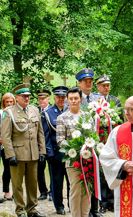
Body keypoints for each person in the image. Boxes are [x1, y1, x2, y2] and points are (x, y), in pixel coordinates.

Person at [1, 84, 46, 217]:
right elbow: (6, 136)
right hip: (17, 154)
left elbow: (40, 133)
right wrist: (10, 155)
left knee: (32, 184)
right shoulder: (9, 112)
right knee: (17, 185)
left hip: (33, 154)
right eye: (24, 96)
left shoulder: (34, 110)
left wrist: (42, 151)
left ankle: (32, 209)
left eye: (28, 96)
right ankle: (20, 210)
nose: (27, 98)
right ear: (17, 97)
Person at [56, 87, 92, 217]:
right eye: (70, 99)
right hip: (73, 160)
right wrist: (75, 149)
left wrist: (89, 147)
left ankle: (85, 214)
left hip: (88, 160)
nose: (73, 101)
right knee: (76, 190)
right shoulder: (62, 118)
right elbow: (60, 140)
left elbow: (92, 136)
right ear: (67, 100)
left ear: (80, 99)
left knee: (87, 190)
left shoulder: (87, 116)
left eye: (76, 98)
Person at [76, 69, 102, 217]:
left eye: (90, 81)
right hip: (80, 144)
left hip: (96, 143)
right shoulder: (74, 98)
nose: (88, 83)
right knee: (82, 177)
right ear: (79, 83)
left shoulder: (98, 98)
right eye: (85, 81)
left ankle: (94, 209)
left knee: (95, 175)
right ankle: (80, 209)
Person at [96, 74, 122, 213]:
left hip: (112, 141)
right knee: (100, 171)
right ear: (98, 87)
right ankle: (103, 202)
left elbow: (121, 120)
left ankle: (112, 201)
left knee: (113, 169)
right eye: (104, 85)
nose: (106, 88)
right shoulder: (94, 101)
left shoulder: (115, 101)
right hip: (99, 141)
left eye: (108, 85)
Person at [41, 86, 70, 215]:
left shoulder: (71, 111)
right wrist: (49, 153)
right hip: (55, 153)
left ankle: (72, 203)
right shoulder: (48, 113)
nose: (61, 99)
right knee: (57, 182)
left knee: (71, 181)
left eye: (63, 97)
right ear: (54, 97)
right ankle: (59, 206)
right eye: (58, 97)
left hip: (71, 154)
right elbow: (45, 136)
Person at [0, 93, 16, 203]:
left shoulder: (16, 113)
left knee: (12, 169)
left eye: (11, 102)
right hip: (3, 145)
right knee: (6, 168)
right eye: (7, 102)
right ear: (3, 103)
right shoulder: (1, 113)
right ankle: (5, 192)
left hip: (13, 145)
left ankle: (12, 191)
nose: (9, 104)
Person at [36, 89, 52, 201]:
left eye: (44, 98)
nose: (42, 100)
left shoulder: (52, 111)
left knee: (52, 171)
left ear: (48, 99)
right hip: (38, 146)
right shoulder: (35, 111)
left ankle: (52, 192)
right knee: (39, 170)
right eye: (40, 98)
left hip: (50, 145)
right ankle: (43, 192)